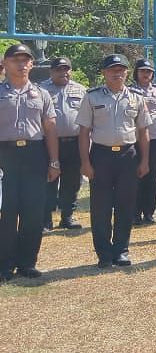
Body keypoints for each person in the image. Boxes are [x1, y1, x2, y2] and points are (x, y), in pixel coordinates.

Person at [76, 54, 152, 268]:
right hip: (101, 155)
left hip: (128, 156)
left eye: (121, 69)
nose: (117, 73)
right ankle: (104, 253)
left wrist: (145, 160)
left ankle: (121, 251)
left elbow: (143, 131)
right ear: (104, 72)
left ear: (127, 72)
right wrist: (85, 162)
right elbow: (84, 132)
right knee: (100, 207)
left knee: (125, 206)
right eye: (112, 70)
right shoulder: (92, 97)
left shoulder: (137, 97)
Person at [0, 44, 60, 280]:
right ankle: (5, 264)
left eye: (26, 60)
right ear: (5, 63)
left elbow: (50, 129)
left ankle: (27, 262)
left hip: (35, 155)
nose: (21, 64)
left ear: (32, 65)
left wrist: (54, 161)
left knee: (33, 212)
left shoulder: (42, 94)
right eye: (16, 59)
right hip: (5, 156)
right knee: (7, 211)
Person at [40, 57, 87, 230]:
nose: (63, 72)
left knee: (72, 181)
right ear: (51, 72)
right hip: (48, 144)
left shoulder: (81, 90)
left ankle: (67, 216)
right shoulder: (41, 90)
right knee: (48, 181)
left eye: (66, 69)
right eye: (59, 69)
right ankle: (46, 219)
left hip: (74, 143)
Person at [130, 58, 156, 225]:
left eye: (149, 71)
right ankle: (135, 213)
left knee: (152, 177)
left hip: (154, 139)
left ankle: (149, 212)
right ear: (136, 73)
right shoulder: (129, 91)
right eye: (142, 71)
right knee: (135, 177)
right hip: (134, 140)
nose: (146, 74)